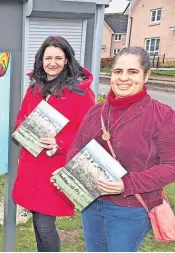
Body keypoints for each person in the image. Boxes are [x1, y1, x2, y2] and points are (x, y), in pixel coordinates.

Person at [66, 47, 175, 252]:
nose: (123, 78)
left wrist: (126, 183)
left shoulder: (162, 115)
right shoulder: (96, 111)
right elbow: (77, 147)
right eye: (118, 71)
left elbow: (171, 166)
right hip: (92, 205)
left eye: (132, 72)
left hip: (130, 209)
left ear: (146, 75)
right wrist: (70, 172)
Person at [12, 36, 95, 252]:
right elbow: (22, 117)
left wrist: (59, 142)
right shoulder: (35, 88)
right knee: (37, 222)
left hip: (55, 167)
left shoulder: (80, 92)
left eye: (59, 57)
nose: (53, 62)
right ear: (41, 60)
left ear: (67, 60)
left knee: (45, 224)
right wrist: (23, 130)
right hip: (31, 164)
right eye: (48, 57)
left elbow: (89, 131)